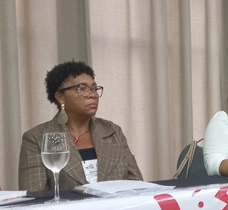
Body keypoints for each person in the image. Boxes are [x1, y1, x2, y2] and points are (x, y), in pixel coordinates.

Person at [19, 61, 142, 193]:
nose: (92, 94)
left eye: (94, 88)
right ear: (61, 97)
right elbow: (34, 197)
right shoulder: (37, 139)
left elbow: (138, 187)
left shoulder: (113, 131)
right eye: (82, 88)